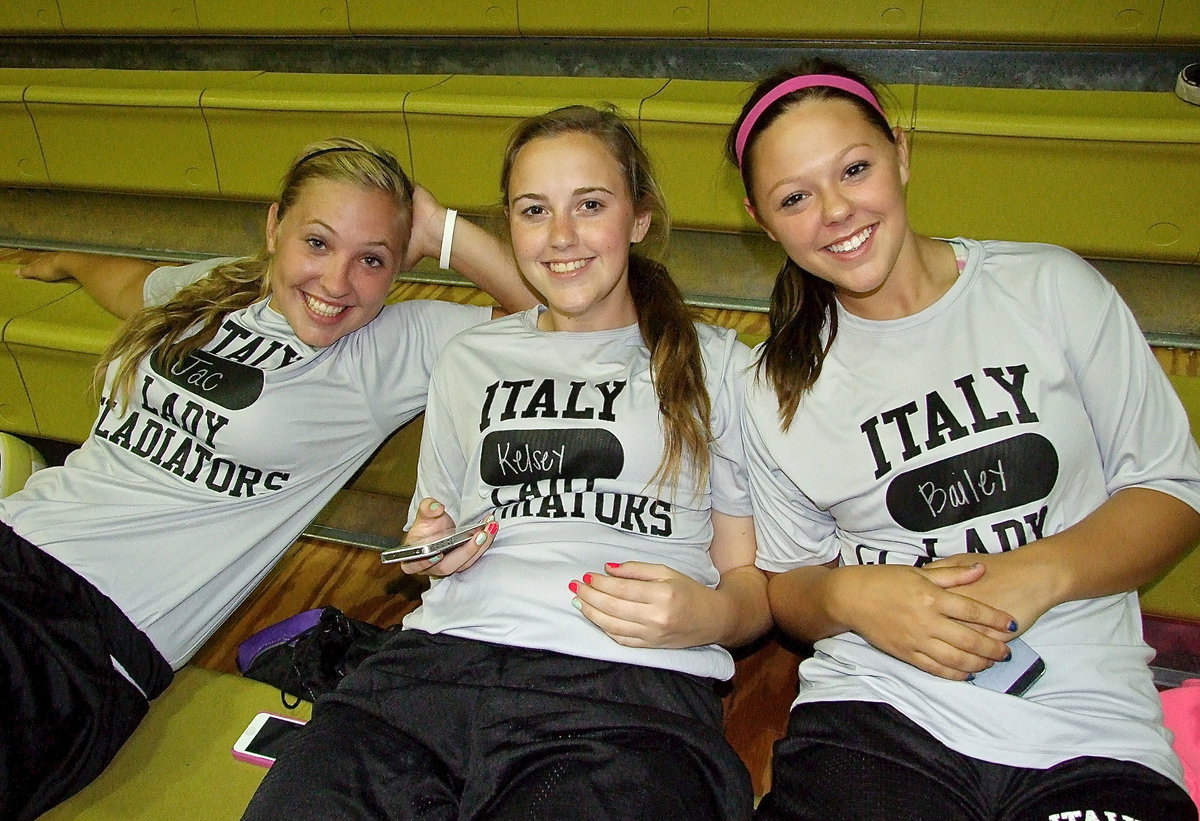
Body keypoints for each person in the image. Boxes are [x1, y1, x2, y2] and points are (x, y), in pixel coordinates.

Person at [241, 105, 771, 821]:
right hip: (431, 669)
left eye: (590, 204)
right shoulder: (469, 360)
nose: (560, 237)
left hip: (623, 691)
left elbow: (754, 588)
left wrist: (706, 613)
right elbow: (432, 535)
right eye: (533, 210)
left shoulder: (721, 365)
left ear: (639, 217)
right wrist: (434, 546)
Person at [0, 136, 535, 820]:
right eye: (317, 242)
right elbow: (140, 288)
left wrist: (439, 227)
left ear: (400, 265)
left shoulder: (390, 347)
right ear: (274, 226)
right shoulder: (223, 289)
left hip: (80, 642)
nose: (337, 282)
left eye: (372, 258)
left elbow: (561, 320)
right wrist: (73, 259)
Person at [728, 57, 1200, 820]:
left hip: (1086, 725)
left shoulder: (1048, 288)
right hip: (879, 718)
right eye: (795, 197)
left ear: (902, 153)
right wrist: (853, 592)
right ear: (761, 217)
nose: (837, 211)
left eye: (855, 168)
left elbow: (1173, 490)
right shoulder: (771, 385)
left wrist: (1034, 575)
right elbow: (793, 585)